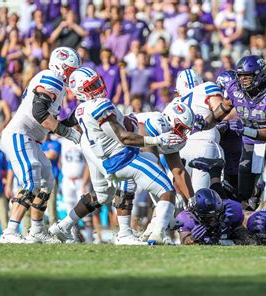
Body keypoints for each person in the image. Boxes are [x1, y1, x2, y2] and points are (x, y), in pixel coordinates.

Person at [50, 67, 183, 245]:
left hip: (107, 159)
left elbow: (66, 122)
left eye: (97, 82)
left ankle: (63, 226)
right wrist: (156, 139)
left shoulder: (81, 109)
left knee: (103, 196)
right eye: (92, 86)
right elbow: (124, 137)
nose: (98, 87)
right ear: (81, 91)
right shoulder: (100, 106)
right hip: (123, 157)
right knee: (166, 190)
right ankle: (152, 232)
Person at [0, 47, 82, 244]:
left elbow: (50, 118)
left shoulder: (56, 84)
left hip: (32, 139)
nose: (73, 74)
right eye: (71, 70)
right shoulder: (51, 78)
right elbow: (39, 114)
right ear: (61, 67)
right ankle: (10, 231)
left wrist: (72, 120)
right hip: (19, 134)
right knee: (30, 182)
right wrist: (68, 133)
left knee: (47, 180)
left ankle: (36, 230)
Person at [197, 55, 266, 206]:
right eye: (240, 76)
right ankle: (253, 204)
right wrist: (204, 123)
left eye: (247, 77)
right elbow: (219, 113)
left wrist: (246, 130)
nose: (242, 80)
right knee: (244, 193)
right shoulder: (235, 90)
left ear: (259, 75)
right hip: (250, 142)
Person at [114, 102, 196, 245]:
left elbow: (179, 172)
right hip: (116, 148)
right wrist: (168, 198)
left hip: (130, 153)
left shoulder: (171, 131)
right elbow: (153, 163)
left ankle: (152, 230)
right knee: (112, 191)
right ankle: (127, 233)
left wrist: (193, 203)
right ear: (169, 120)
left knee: (166, 194)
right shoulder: (155, 123)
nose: (183, 134)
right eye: (181, 128)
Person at [172, 69, 226, 192]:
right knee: (202, 199)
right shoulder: (206, 87)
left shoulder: (174, 103)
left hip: (181, 150)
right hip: (204, 144)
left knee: (183, 201)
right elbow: (223, 112)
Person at [175, 188, 254, 245]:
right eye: (207, 218)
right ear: (195, 213)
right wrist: (192, 238)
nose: (213, 220)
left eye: (216, 215)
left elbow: (248, 240)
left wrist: (223, 242)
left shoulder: (230, 211)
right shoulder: (186, 218)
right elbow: (184, 241)